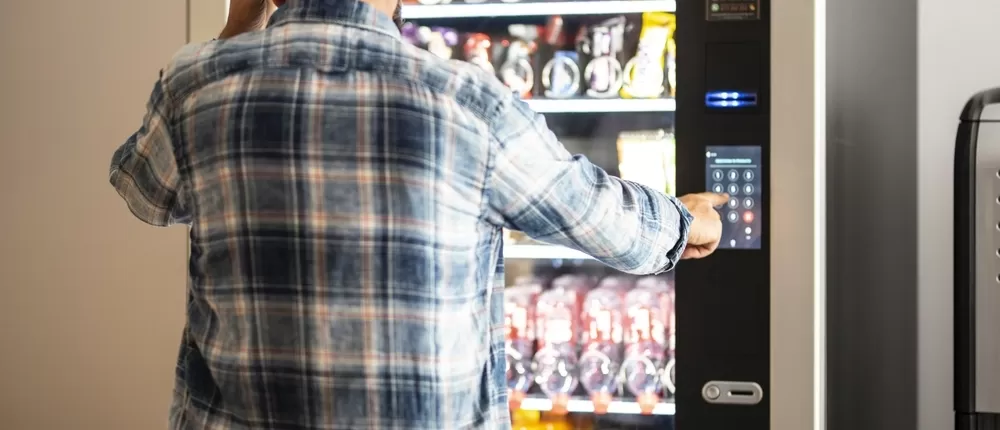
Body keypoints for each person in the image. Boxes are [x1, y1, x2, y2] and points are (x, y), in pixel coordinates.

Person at [107, 0, 726, 428]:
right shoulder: (468, 102)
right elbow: (603, 219)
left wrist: (237, 29)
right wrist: (684, 219)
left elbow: (145, 194)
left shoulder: (195, 85)